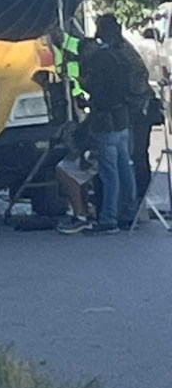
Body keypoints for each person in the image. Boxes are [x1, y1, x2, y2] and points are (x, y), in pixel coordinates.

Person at [78, 36, 137, 233]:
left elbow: (98, 92)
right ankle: (129, 213)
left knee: (109, 173)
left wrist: (85, 90)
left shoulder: (98, 63)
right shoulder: (118, 56)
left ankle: (109, 219)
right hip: (123, 119)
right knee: (125, 169)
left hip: (106, 123)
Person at [96, 13, 156, 202]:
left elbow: (135, 84)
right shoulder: (120, 50)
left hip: (137, 111)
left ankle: (138, 199)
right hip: (133, 110)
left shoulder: (120, 53)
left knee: (134, 157)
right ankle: (135, 201)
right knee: (130, 158)